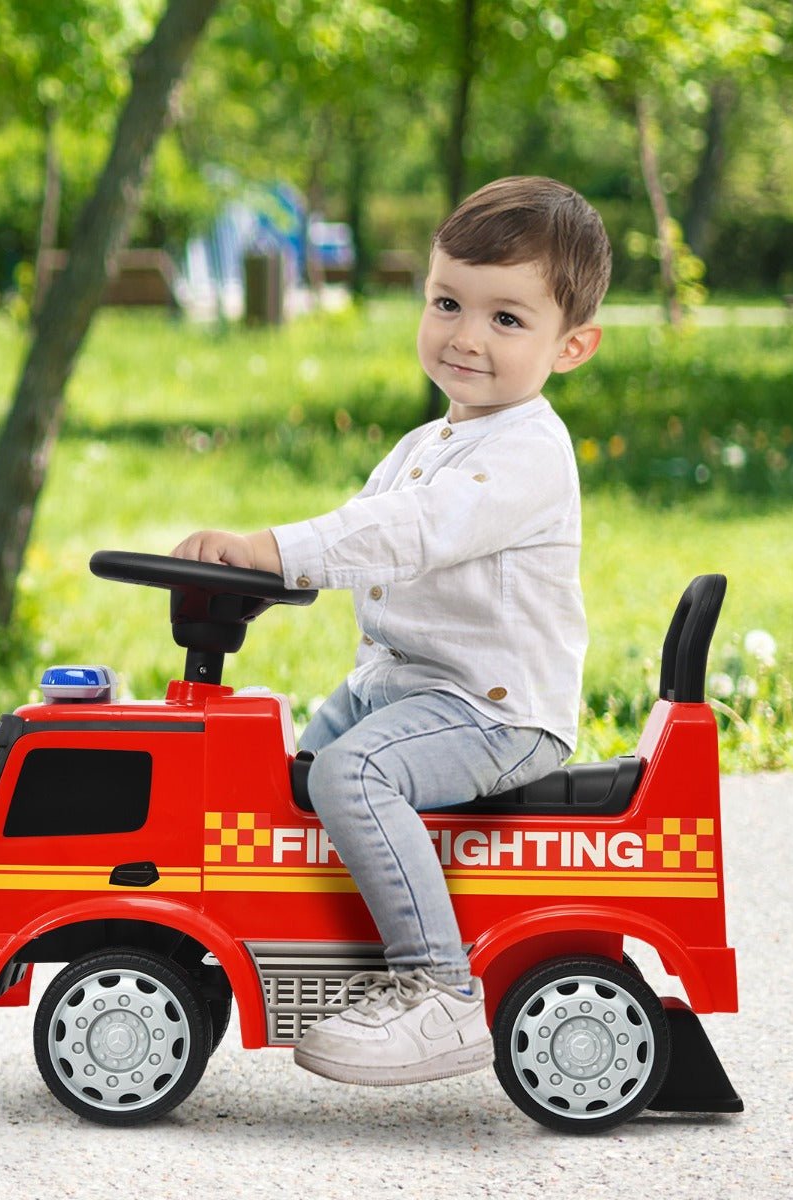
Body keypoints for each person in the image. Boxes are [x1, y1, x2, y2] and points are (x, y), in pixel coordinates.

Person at [172, 176, 611, 1086]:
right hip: (401, 686)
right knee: (279, 775)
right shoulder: (425, 444)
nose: (465, 336)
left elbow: (408, 534)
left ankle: (437, 993)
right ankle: (297, 945)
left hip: (492, 710)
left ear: (573, 347)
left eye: (507, 319)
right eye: (449, 303)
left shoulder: (527, 451)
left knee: (351, 772)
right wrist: (254, 575)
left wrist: (272, 551)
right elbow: (359, 530)